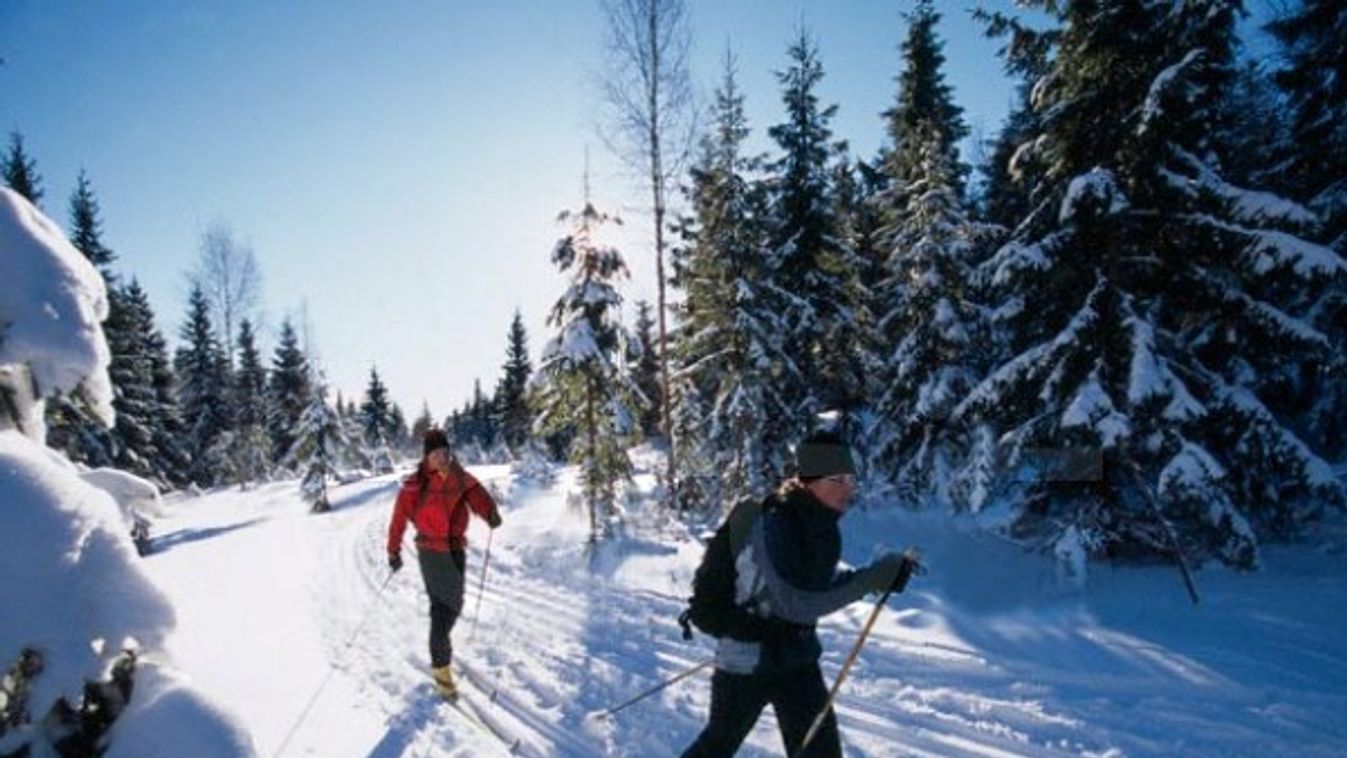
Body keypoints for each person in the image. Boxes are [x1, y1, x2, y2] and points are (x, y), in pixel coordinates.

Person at [682, 431, 915, 758]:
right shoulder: (775, 523)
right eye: (837, 478)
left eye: (851, 478)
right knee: (719, 744)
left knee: (821, 753)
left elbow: (815, 588)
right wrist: (870, 580)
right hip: (748, 658)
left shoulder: (820, 525)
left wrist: (878, 579)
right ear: (809, 480)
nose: (848, 487)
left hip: (796, 657)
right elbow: (797, 603)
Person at [387, 428, 502, 698]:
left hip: (455, 549)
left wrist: (490, 513)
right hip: (430, 552)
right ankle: (442, 673)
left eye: (445, 452)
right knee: (442, 609)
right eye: (436, 453)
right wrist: (393, 551)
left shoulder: (459, 478)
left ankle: (440, 643)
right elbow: (398, 521)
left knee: (456, 603)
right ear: (427, 456)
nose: (442, 458)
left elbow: (477, 495)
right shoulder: (414, 486)